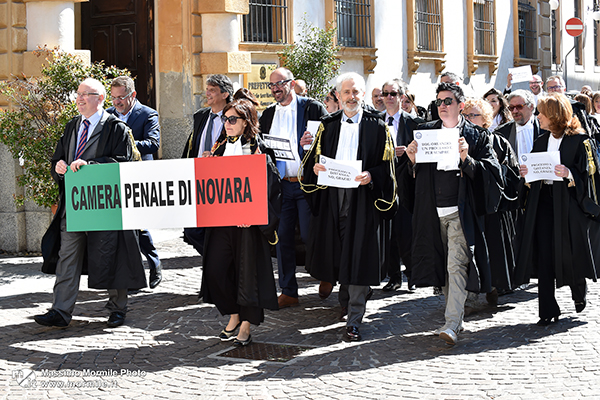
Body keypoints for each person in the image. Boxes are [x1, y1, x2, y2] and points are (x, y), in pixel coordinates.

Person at [35, 78, 146, 328]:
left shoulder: (116, 128)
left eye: (86, 94)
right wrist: (59, 167)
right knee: (67, 257)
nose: (80, 99)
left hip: (105, 207)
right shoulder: (72, 126)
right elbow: (58, 159)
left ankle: (118, 308)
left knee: (111, 254)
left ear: (101, 99)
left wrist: (91, 166)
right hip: (74, 206)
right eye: (78, 94)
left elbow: (123, 164)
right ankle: (61, 310)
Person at [399, 82, 501, 345]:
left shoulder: (476, 137)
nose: (442, 106)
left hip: (460, 212)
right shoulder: (425, 133)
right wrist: (409, 160)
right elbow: (407, 177)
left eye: (447, 101)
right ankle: (455, 317)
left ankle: (452, 323)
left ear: (461, 105)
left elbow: (492, 173)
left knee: (456, 265)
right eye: (439, 102)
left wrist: (467, 160)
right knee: (441, 266)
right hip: (431, 213)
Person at [300, 72, 395, 342]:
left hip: (362, 201)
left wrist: (372, 176)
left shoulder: (378, 127)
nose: (351, 97)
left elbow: (387, 166)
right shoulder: (327, 125)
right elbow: (313, 161)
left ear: (363, 95)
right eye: (346, 93)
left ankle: (354, 318)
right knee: (340, 252)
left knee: (359, 255)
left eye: (356, 92)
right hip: (333, 199)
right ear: (338, 96)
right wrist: (316, 167)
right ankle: (345, 301)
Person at [200, 99, 281, 346]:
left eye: (233, 119)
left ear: (246, 122)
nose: (227, 124)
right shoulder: (219, 147)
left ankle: (245, 324)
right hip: (221, 223)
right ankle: (234, 314)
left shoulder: (261, 149)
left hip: (248, 226)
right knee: (216, 270)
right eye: (225, 119)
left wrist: (255, 215)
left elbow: (271, 189)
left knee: (248, 275)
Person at [514, 94, 600, 325]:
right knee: (544, 253)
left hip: (569, 203)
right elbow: (534, 170)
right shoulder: (541, 140)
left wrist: (569, 174)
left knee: (570, 249)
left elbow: (590, 177)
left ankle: (578, 290)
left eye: (542, 113)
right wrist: (526, 175)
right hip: (543, 202)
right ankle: (547, 309)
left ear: (554, 116)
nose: (538, 117)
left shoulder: (579, 141)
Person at [259, 67, 328, 308]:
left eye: (280, 84)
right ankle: (288, 291)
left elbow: (327, 139)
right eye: (272, 85)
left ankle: (326, 274)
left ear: (291, 83)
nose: (276, 89)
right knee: (283, 239)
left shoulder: (312, 107)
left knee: (312, 235)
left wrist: (312, 143)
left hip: (307, 184)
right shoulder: (267, 115)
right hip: (282, 186)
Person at [107, 76, 162, 289]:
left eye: (121, 98)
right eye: (113, 98)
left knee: (137, 223)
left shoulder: (148, 114)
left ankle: (153, 261)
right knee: (123, 225)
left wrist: (125, 145)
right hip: (113, 175)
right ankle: (130, 274)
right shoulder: (108, 115)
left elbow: (153, 143)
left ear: (133, 95)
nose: (117, 102)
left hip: (140, 175)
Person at [463, 98, 520, 300]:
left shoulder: (497, 141)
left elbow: (512, 174)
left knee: (494, 248)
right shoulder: (460, 140)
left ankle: (496, 285)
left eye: (473, 115)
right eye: (466, 115)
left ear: (486, 119)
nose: (468, 119)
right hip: (469, 204)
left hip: (494, 206)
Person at [181, 74, 234, 256]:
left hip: (222, 182)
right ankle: (215, 257)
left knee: (217, 228)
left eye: (212, 90)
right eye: (207, 89)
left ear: (225, 94)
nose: (207, 93)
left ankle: (219, 261)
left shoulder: (234, 117)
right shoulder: (200, 116)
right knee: (191, 230)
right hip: (198, 179)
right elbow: (192, 145)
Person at [380, 79, 423, 291]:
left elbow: (424, 156)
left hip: (407, 184)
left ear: (401, 96)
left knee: (407, 232)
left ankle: (413, 275)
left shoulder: (415, 123)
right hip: (383, 186)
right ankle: (394, 277)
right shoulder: (376, 121)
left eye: (393, 94)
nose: (389, 97)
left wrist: (408, 154)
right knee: (389, 235)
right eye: (385, 93)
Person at [495, 90, 545, 161]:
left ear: (531, 106)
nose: (515, 111)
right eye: (511, 108)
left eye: (519, 106)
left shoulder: (545, 129)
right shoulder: (501, 133)